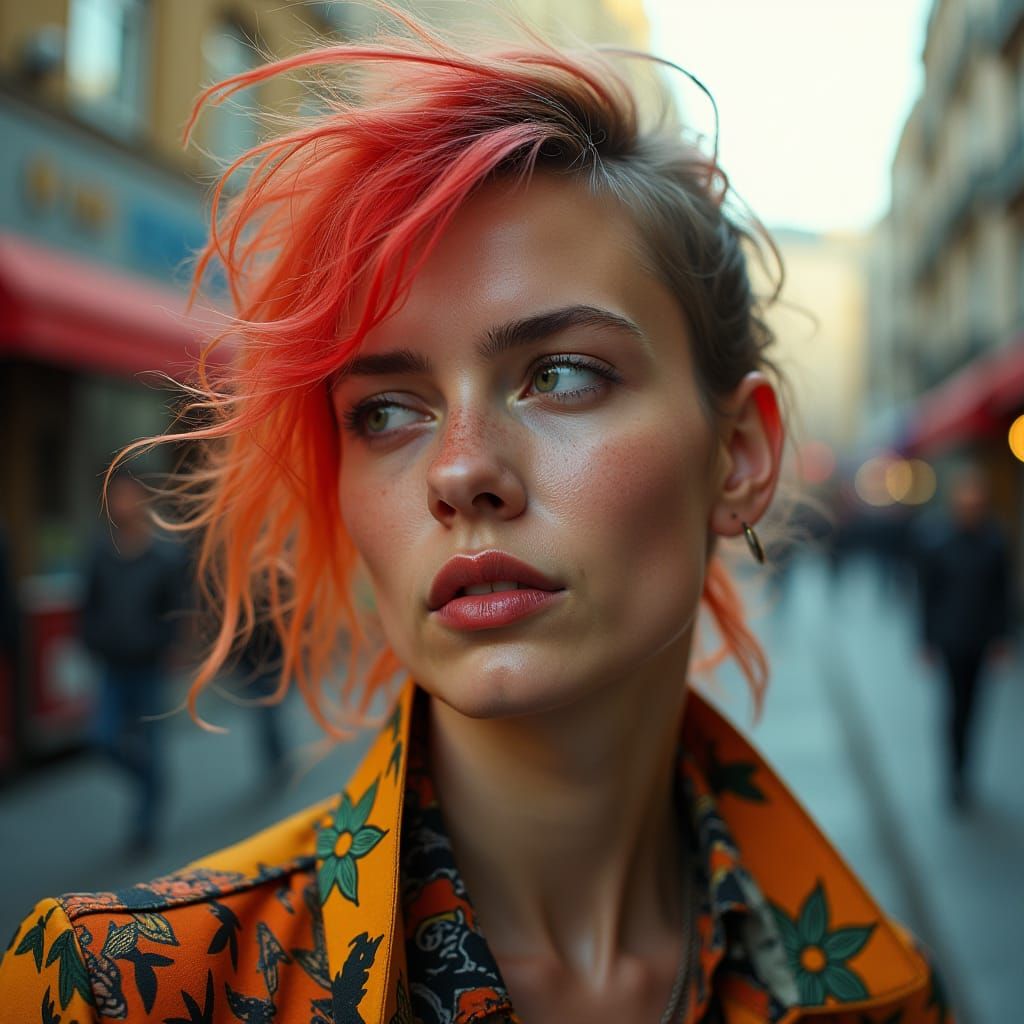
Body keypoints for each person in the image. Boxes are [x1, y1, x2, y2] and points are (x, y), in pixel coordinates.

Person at [1, 11, 952, 1023]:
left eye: (563, 373)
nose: (459, 472)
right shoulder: (118, 990)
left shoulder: (883, 994)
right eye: (386, 411)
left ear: (741, 455)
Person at [78, 472, 185, 852]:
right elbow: (88, 602)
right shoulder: (101, 551)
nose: (123, 503)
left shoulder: (165, 554)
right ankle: (152, 782)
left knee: (151, 742)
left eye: (129, 495)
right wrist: (91, 640)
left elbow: (176, 609)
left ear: (143, 501)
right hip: (111, 664)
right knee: (102, 738)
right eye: (116, 496)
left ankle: (144, 823)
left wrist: (170, 647)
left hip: (149, 665)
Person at [916, 464, 1011, 810]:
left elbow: (1002, 594)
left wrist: (1002, 637)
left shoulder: (994, 541)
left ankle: (967, 771)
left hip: (981, 638)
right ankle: (954, 774)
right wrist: (925, 640)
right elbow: (927, 595)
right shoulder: (938, 542)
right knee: (954, 707)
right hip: (950, 638)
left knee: (975, 708)